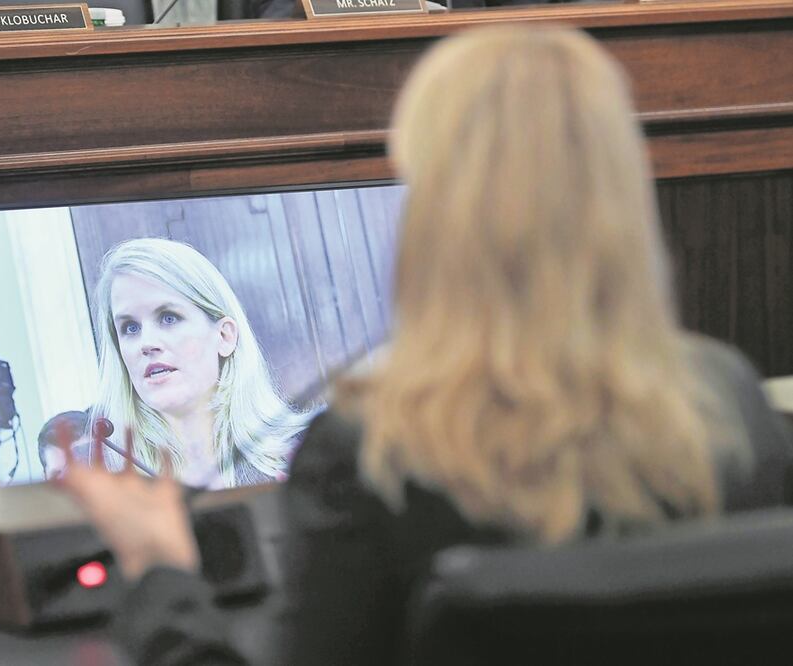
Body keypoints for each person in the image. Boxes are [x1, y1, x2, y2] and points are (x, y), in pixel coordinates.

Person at [55, 26, 793, 665]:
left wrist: (159, 572)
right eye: (128, 327)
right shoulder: (729, 400)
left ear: (435, 209)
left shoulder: (369, 452)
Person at [63, 237, 309, 489]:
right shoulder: (98, 478)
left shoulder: (307, 449)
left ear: (224, 336)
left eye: (169, 318)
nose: (146, 343)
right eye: (130, 327)